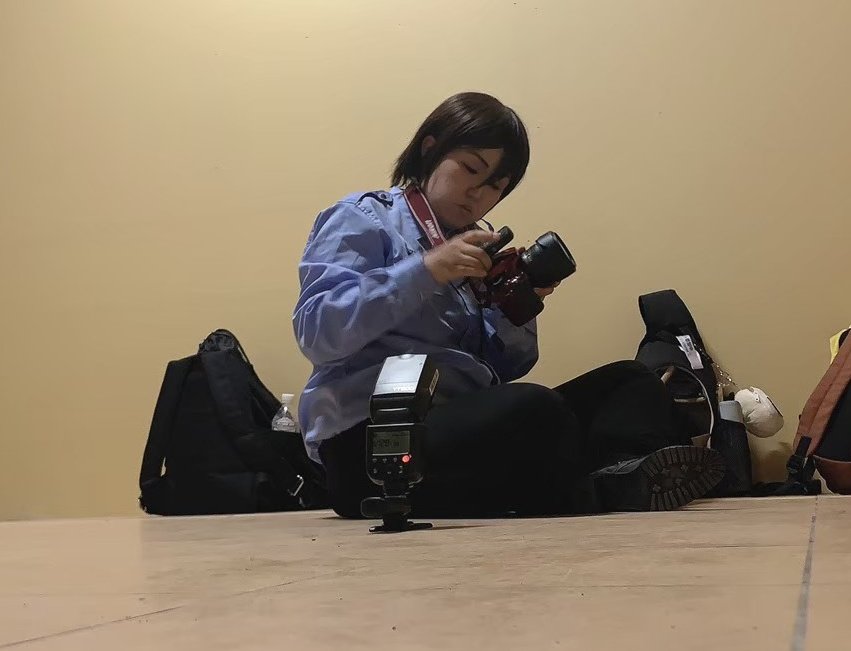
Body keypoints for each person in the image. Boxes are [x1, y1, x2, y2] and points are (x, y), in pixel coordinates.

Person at [293, 92, 724, 518]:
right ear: (430, 149)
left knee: (631, 383)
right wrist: (426, 270)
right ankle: (592, 485)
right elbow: (317, 333)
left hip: (463, 428)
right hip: (375, 442)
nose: (477, 193)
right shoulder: (364, 218)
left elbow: (508, 368)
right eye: (470, 169)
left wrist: (518, 306)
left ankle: (615, 477)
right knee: (534, 410)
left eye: (495, 187)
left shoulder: (474, 249)